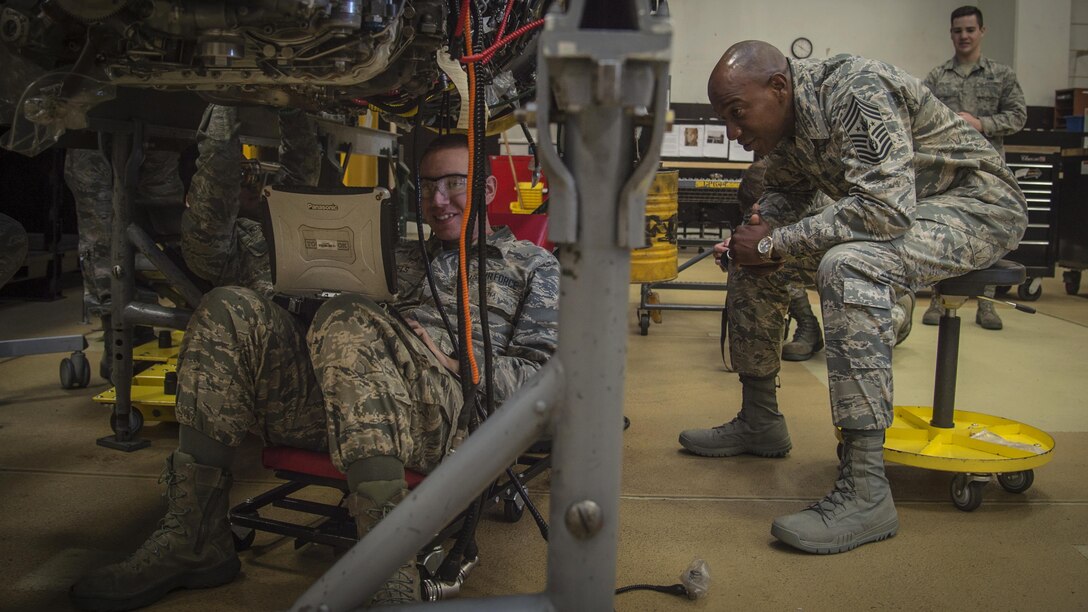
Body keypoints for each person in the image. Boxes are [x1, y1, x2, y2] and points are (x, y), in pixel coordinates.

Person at [69, 133, 561, 609]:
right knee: (229, 310)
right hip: (349, 403)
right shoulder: (397, 256)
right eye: (428, 186)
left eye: (455, 182)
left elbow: (544, 381)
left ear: (488, 189)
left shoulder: (533, 267)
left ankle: (387, 563)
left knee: (349, 315)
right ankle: (195, 537)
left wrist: (452, 360)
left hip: (448, 416)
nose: (438, 199)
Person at [680, 41, 1026, 555]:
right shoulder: (790, 124)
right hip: (907, 212)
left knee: (847, 265)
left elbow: (885, 210)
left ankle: (866, 489)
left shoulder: (855, 91)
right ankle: (760, 421)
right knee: (752, 262)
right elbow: (787, 195)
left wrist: (776, 240)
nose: (732, 131)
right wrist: (756, 232)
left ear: (778, 87)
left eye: (736, 113)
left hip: (972, 206)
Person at [922, 5, 1027, 330]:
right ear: (951, 33)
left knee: (990, 232)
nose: (964, 36)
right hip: (948, 172)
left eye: (969, 30)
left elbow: (1018, 116)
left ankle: (987, 305)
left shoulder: (1001, 75)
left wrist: (981, 124)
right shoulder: (937, 77)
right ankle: (940, 299)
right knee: (944, 231)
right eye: (958, 30)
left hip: (989, 172)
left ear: (982, 31)